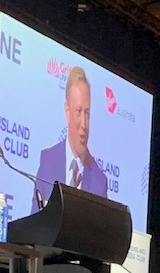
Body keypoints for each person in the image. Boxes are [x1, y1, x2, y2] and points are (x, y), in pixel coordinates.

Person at [32, 66, 107, 213]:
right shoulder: (48, 160)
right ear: (67, 111)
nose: (84, 124)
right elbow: (35, 219)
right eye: (78, 112)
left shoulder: (99, 180)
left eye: (87, 113)